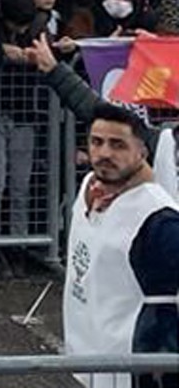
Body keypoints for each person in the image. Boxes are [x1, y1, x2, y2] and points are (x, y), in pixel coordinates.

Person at [63, 104, 179, 388]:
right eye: (96, 142)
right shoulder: (92, 185)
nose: (104, 153)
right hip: (89, 358)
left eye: (118, 145)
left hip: (136, 370)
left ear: (142, 151)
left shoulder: (158, 221)